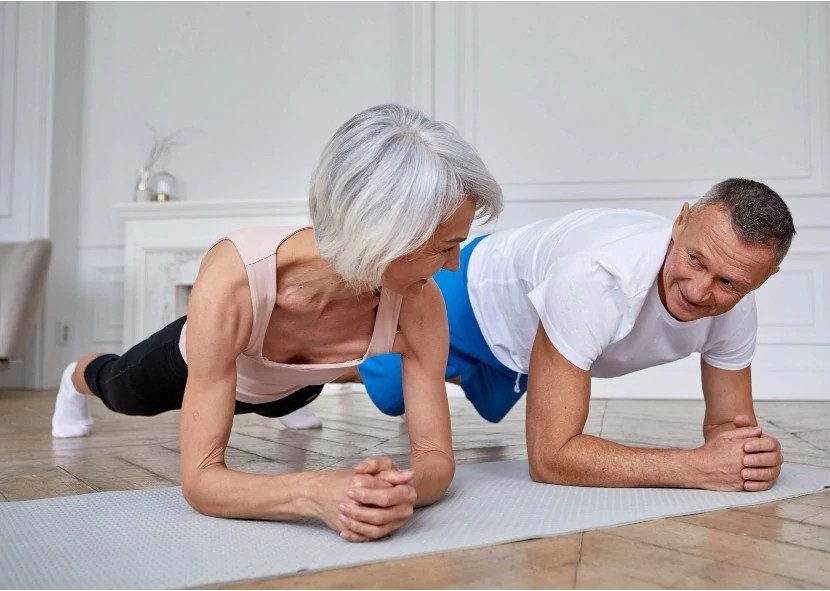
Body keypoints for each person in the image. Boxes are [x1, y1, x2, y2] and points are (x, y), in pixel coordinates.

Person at [51, 104, 503, 541]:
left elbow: (436, 459)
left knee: (283, 397)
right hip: (200, 367)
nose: (452, 265)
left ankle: (286, 400)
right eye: (443, 247)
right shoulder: (236, 279)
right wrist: (312, 492)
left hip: (297, 384)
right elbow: (201, 481)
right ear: (381, 235)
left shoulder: (420, 304)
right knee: (120, 390)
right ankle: (76, 378)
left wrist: (398, 490)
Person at [352, 178, 795, 492]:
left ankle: (446, 373)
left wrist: (749, 460)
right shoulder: (597, 276)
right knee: (367, 375)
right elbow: (550, 459)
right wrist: (697, 467)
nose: (699, 292)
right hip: (469, 296)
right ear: (680, 222)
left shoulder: (738, 312)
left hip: (532, 347)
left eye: (729, 283)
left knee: (435, 387)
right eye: (696, 260)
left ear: (765, 278)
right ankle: (288, 381)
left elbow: (726, 426)